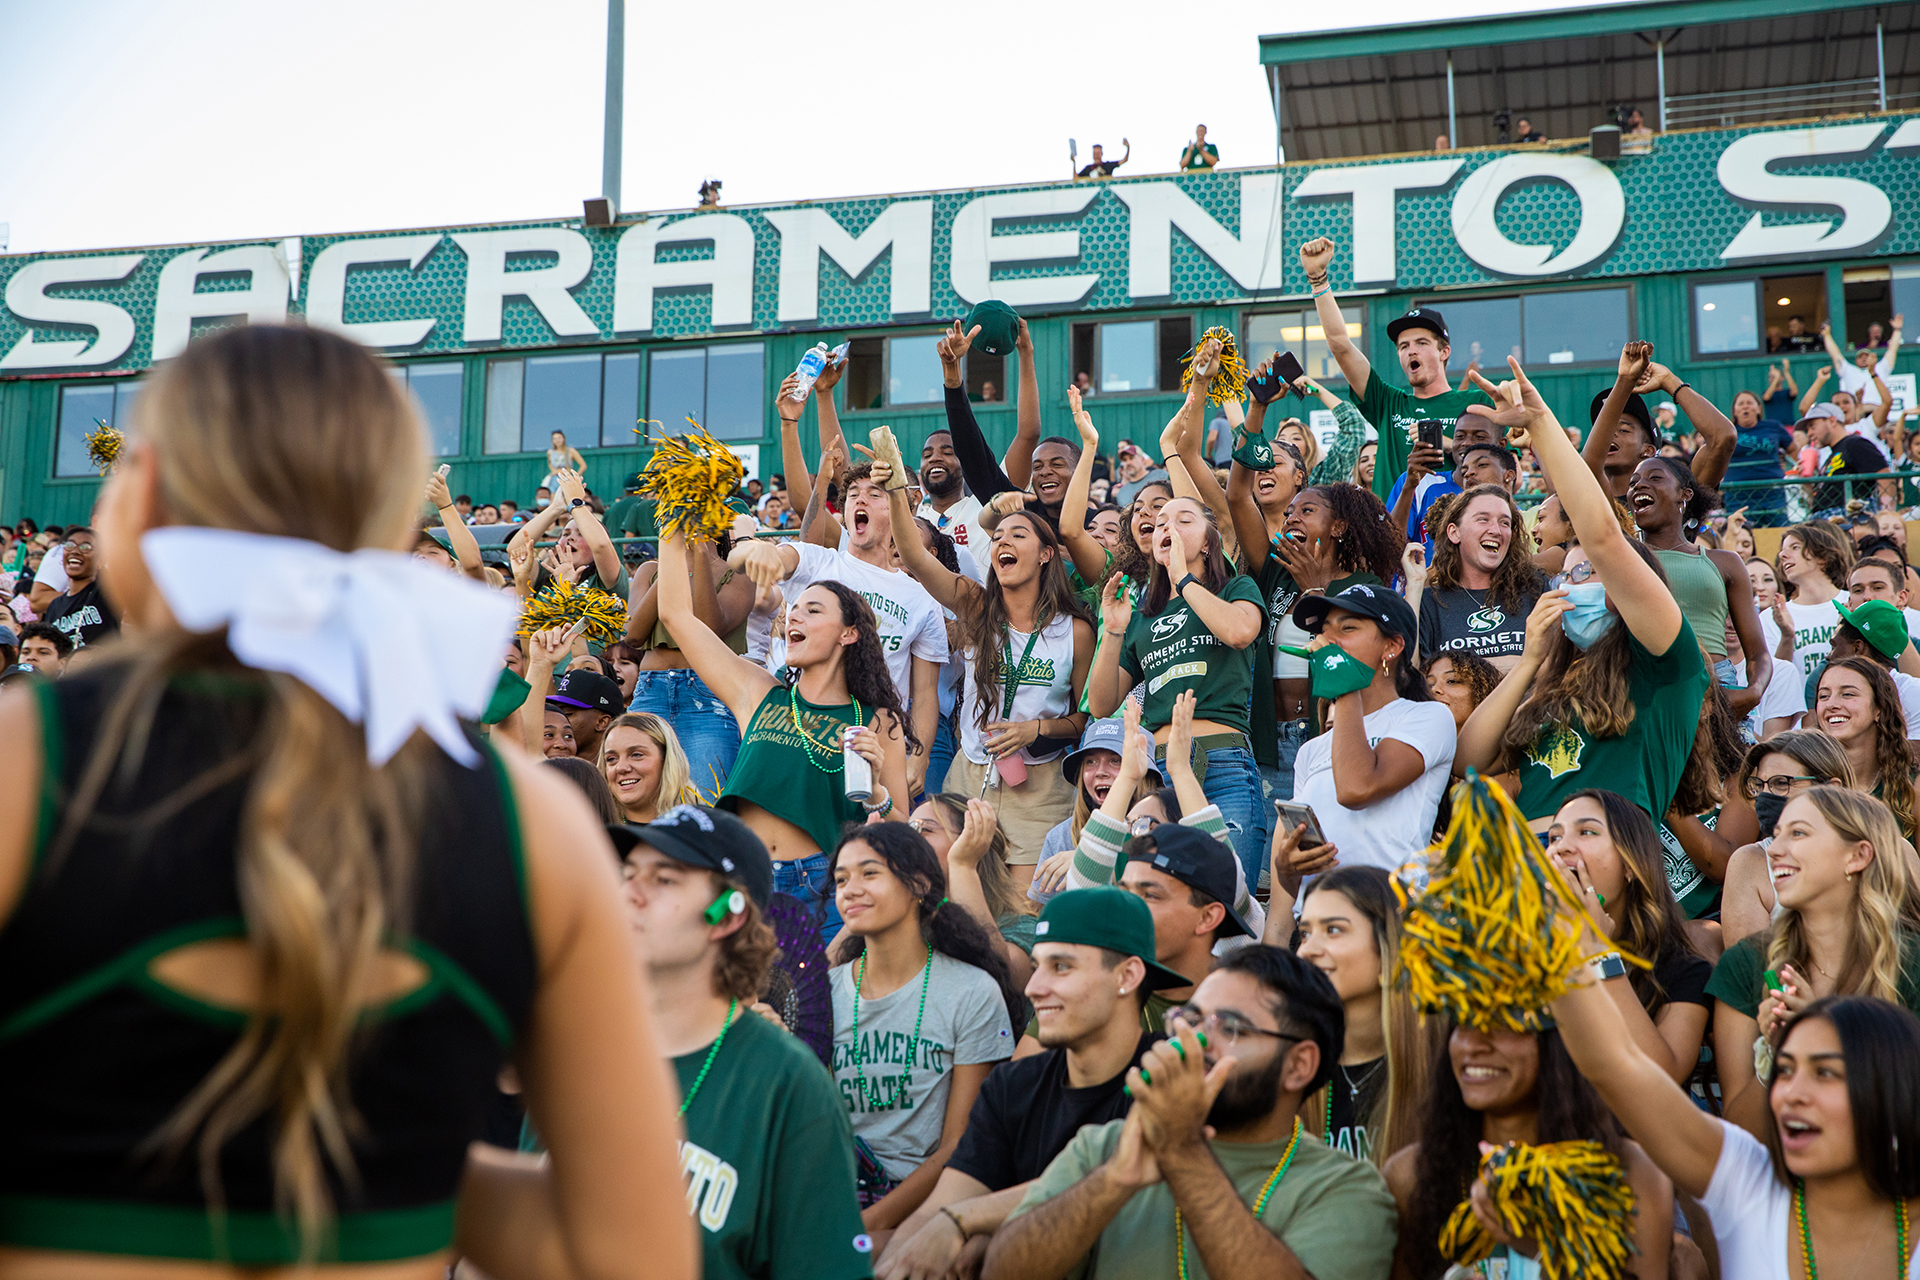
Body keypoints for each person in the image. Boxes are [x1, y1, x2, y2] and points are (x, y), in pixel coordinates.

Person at [0, 324, 694, 1274]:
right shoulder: (533, 827)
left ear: (143, 499)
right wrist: (405, 1160)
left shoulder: (24, 761)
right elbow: (631, 1257)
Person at [985, 947, 1401, 1280]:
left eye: (1231, 1028)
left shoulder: (1345, 1187)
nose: (1194, 1041)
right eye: (1190, 1019)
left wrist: (1183, 1152)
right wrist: (1112, 1182)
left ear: (1299, 1065)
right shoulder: (1106, 1147)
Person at [1457, 357, 1712, 835]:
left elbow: (1603, 537)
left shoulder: (1666, 665)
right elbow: (1469, 761)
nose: (1572, 585)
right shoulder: (1552, 685)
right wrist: (1533, 660)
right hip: (1529, 876)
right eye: (1568, 576)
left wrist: (1540, 423)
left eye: (1590, 573)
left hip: (1605, 870)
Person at [614, 806, 871, 1280]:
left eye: (663, 879)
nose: (628, 893)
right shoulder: (576, 1060)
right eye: (627, 873)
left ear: (726, 916)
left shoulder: (789, 1087)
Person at [874, 887, 1181, 1280]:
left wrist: (967, 1220)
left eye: (1062, 967)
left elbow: (1116, 1174)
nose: (1034, 987)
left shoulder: (1169, 1074)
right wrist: (896, 1264)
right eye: (1037, 966)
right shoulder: (1013, 1085)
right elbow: (939, 1208)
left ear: (1127, 975)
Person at [1555, 969, 1920, 1280]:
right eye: (1785, 1069)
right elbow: (1614, 1067)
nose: (1791, 1093)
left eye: (1824, 1072)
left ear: (1890, 1086)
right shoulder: (1748, 1183)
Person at [664, 523, 914, 941]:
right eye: (795, 607)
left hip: (826, 887)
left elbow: (901, 829)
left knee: (819, 1005)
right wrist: (673, 525)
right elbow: (676, 616)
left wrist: (876, 794)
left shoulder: (877, 720)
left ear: (849, 633)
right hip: (746, 879)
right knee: (736, 1001)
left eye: (814, 610)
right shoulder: (758, 691)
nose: (795, 614)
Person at [883, 452, 1093, 867]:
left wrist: (1036, 729)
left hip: (1041, 786)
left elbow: (1087, 718)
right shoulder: (977, 606)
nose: (1002, 543)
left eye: (1017, 536)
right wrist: (894, 491)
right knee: (960, 894)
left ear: (1046, 554)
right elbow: (914, 556)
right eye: (997, 539)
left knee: (1022, 907)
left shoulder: (1076, 631)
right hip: (968, 776)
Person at [829, 823, 1019, 1228]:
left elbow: (959, 1145)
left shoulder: (971, 992)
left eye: (869, 873)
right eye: (841, 879)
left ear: (918, 884)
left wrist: (868, 1226)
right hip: (831, 1191)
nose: (850, 889)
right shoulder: (825, 993)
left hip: (927, 1204)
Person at [1384, 1014, 1673, 1280]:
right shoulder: (1409, 1176)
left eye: (1504, 1022)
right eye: (1463, 1022)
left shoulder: (1631, 1176)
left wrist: (1539, 1246)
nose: (1473, 1044)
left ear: (1561, 1039)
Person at [1707, 786, 1920, 1139]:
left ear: (1857, 856)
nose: (1774, 850)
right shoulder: (1747, 964)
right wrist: (1778, 1053)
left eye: (1798, 833)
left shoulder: (1911, 965)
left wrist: (1824, 1039)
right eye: (1775, 836)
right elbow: (1741, 1132)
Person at [732, 462, 948, 798]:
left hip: (880, 748)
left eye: (873, 494)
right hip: (809, 736)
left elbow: (924, 693)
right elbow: (776, 558)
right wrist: (754, 547)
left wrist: (918, 758)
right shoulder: (819, 562)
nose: (859, 501)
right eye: (852, 495)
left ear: (896, 510)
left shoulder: (921, 599)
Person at [1089, 496, 1267, 883]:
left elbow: (1239, 632)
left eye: (1183, 520)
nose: (1165, 527)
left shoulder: (1236, 587)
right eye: (1159, 523)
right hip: (1160, 776)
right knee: (1162, 892)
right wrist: (1115, 629)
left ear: (1208, 543)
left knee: (1228, 893)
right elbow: (1102, 704)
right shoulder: (1141, 618)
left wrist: (1183, 579)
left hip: (1224, 765)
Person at [1284, 583, 1457, 890]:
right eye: (1323, 631)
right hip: (1319, 918)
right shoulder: (1310, 751)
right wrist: (1286, 867)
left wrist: (1343, 683)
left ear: (1391, 647)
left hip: (1390, 913)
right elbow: (1295, 882)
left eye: (1347, 628)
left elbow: (1356, 789)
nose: (1326, 640)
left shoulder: (1428, 717)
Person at [1301, 238, 1491, 510]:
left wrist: (1449, 444)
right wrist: (1318, 280)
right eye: (1403, 346)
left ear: (1444, 351)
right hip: (1392, 538)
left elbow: (1499, 466)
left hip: (1455, 534)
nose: (1410, 351)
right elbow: (1341, 346)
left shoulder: (1475, 403)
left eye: (1421, 343)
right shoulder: (1388, 402)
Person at [1544, 789, 1714, 1082]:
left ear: (1631, 865)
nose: (1561, 848)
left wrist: (1599, 953)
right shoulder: (1521, 951)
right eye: (1554, 837)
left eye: (1586, 832)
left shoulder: (1684, 970)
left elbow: (1663, 1079)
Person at [1288, 867, 1435, 1166]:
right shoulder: (1287, 1065)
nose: (1307, 951)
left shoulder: (1443, 1063)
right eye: (1305, 933)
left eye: (1333, 930)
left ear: (1387, 950)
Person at [1629, 457, 1768, 711]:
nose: (1639, 485)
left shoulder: (1726, 563)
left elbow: (1758, 652)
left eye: (1655, 478)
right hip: (1646, 691)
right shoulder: (1621, 558)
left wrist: (1753, 692)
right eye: (1633, 482)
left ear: (1684, 495)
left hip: (1718, 691)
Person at [624, 521, 756, 786]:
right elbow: (633, 635)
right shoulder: (650, 570)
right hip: (651, 691)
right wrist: (674, 565)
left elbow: (709, 628)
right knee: (641, 795)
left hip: (708, 694)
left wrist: (698, 558)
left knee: (704, 798)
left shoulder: (739, 572)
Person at [1716, 730, 1857, 944]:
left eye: (1781, 783)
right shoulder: (1749, 862)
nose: (1765, 796)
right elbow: (1750, 970)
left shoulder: (1890, 851)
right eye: (1759, 786)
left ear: (1832, 790)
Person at [908, 794, 1041, 986]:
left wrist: (963, 866)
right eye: (908, 829)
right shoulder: (906, 923)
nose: (910, 841)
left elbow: (999, 976)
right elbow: (849, 958)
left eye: (924, 829)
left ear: (973, 839)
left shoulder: (1020, 926)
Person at [1415, 485, 1545, 673]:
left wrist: (1458, 671)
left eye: (1505, 523)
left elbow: (1553, 666)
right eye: (1483, 520)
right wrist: (1517, 664)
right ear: (1454, 532)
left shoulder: (1536, 587)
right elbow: (1416, 677)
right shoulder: (1429, 603)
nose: (1496, 530)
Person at [1584, 342, 1736, 499]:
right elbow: (1588, 464)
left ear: (1647, 450)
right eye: (1604, 430)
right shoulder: (1590, 501)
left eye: (1623, 429)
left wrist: (1668, 380)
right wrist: (1625, 380)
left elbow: (1723, 438)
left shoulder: (1675, 499)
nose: (1610, 435)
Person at [1807, 657, 1920, 842]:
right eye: (1823, 696)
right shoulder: (1802, 780)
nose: (1832, 704)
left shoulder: (1913, 789)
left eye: (1848, 694)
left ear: (1879, 709)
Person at [1773, 520, 1853, 689]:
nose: (1782, 555)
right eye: (1782, 550)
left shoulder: (1854, 604)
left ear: (1823, 557)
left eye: (1794, 547)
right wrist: (1787, 637)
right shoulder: (1773, 616)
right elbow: (1775, 682)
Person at [601, 711, 703, 825]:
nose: (621, 767)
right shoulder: (596, 833)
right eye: (611, 759)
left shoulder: (702, 827)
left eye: (636, 755)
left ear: (666, 759)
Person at [917, 428, 989, 580]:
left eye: (948, 453)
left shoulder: (984, 507)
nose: (934, 458)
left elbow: (1027, 436)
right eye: (927, 455)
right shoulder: (914, 519)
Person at [39, 524, 118, 651]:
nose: (75, 551)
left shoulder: (109, 592)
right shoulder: (55, 606)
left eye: (86, 547)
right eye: (70, 545)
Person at [1725, 389, 1795, 525]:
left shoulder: (1773, 426)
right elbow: (1712, 453)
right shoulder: (1726, 430)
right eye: (1741, 404)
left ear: (1758, 408)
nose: (1745, 406)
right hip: (1738, 495)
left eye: (1750, 403)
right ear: (1734, 411)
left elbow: (1792, 449)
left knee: (1779, 530)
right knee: (1742, 533)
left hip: (1772, 491)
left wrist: (1788, 467)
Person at [1806, 404, 1890, 512]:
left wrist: (1887, 510)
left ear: (1832, 421)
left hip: (1846, 518)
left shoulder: (1854, 443)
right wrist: (1806, 483)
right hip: (1823, 519)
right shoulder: (1831, 455)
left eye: (1812, 426)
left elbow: (1884, 474)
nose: (1809, 433)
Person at [546, 667, 624, 768]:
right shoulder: (548, 767)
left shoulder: (621, 771)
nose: (559, 719)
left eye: (567, 713)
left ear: (602, 722)